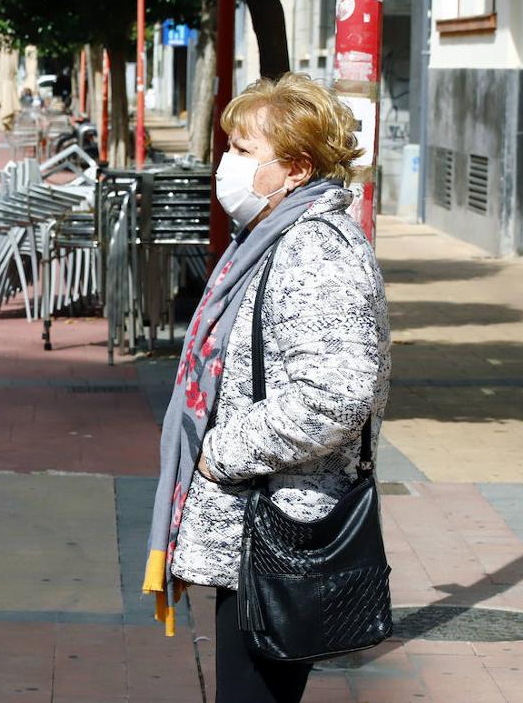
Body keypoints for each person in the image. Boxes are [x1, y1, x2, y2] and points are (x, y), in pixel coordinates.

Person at [143, 73, 390, 703]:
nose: (225, 164)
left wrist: (221, 452)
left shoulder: (315, 249)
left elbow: (336, 393)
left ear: (296, 168)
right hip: (260, 523)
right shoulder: (269, 239)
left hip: (283, 531)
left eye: (243, 150)